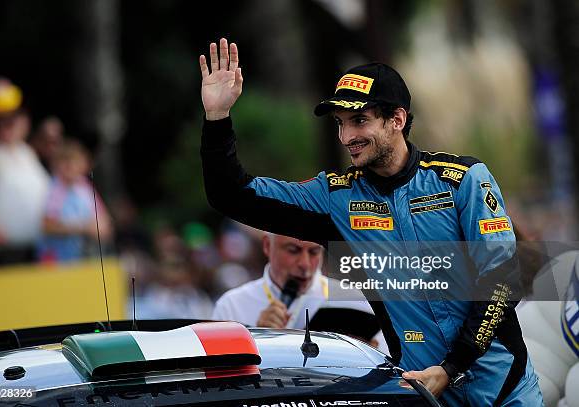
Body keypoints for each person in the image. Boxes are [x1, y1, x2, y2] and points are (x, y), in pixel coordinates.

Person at [198, 38, 543, 405]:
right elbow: (234, 196)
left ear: (397, 119)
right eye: (340, 123)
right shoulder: (336, 197)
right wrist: (217, 119)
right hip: (426, 394)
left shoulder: (463, 179)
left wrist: (453, 366)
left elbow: (500, 281)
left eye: (359, 120)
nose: (346, 137)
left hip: (507, 391)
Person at [212, 233, 377, 335]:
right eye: (293, 250)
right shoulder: (232, 306)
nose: (304, 263)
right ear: (267, 246)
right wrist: (257, 339)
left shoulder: (355, 300)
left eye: (314, 252)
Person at [0, 110, 49, 265]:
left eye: (12, 123)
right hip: (6, 247)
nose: (7, 129)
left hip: (37, 243)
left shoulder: (29, 153)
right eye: (2, 124)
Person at [37, 139, 112, 262]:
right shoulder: (53, 190)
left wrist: (103, 228)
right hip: (57, 262)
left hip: (85, 260)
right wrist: (84, 228)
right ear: (56, 165)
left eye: (75, 161)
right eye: (65, 161)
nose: (70, 166)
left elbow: (103, 220)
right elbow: (47, 226)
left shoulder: (85, 188)